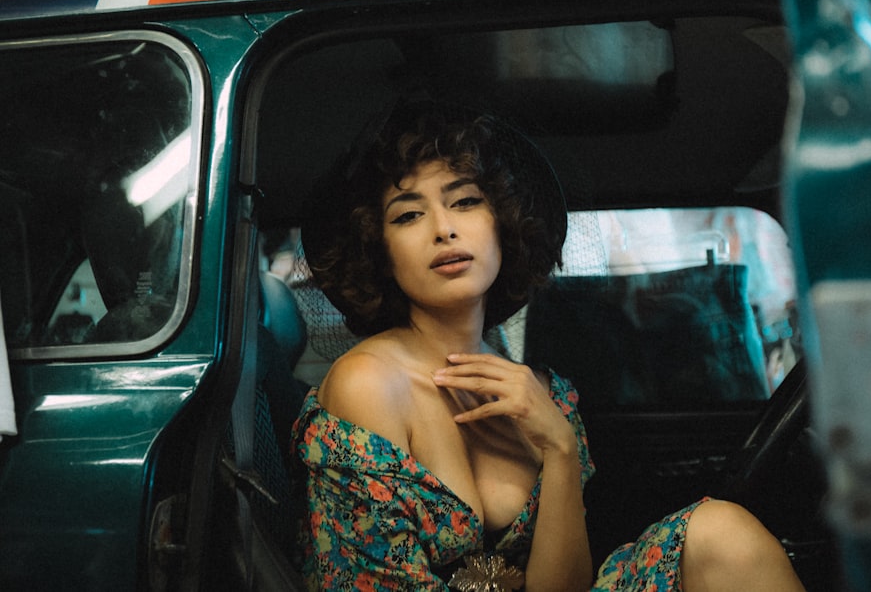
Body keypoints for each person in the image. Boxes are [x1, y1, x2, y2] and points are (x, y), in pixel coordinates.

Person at [292, 100, 805, 591]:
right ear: (378, 249)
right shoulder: (368, 385)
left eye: (465, 201)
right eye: (408, 215)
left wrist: (559, 447)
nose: (444, 230)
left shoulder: (543, 396)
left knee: (719, 532)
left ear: (503, 222)